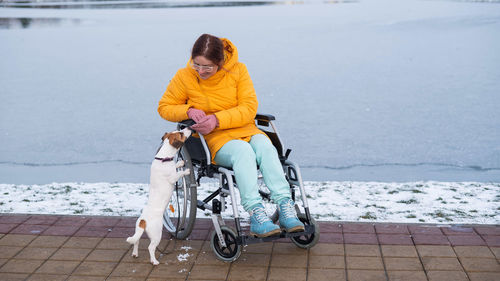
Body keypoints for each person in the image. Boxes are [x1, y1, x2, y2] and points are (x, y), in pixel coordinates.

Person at [158, 34, 304, 237]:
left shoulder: (238, 71)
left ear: (220, 62)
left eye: (207, 67)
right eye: (197, 65)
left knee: (266, 146)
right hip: (212, 139)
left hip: (244, 128)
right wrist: (188, 110)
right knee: (243, 152)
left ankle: (286, 206)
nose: (201, 71)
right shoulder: (184, 76)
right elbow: (165, 107)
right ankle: (256, 213)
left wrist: (217, 119)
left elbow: (249, 107)